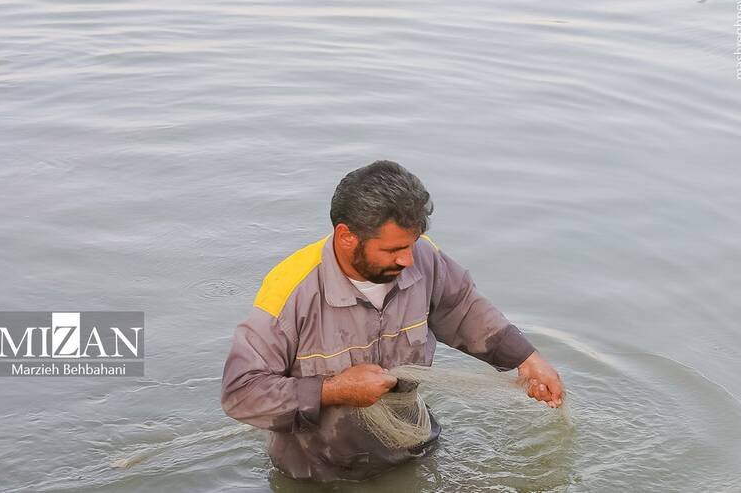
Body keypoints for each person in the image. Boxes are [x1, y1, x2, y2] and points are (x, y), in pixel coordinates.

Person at [221, 160, 564, 481]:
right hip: (321, 474)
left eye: (412, 243)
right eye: (392, 250)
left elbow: (463, 308)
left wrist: (526, 359)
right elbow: (241, 393)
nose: (407, 259)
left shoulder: (422, 256)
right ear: (346, 237)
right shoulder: (289, 291)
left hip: (412, 452)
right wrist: (335, 389)